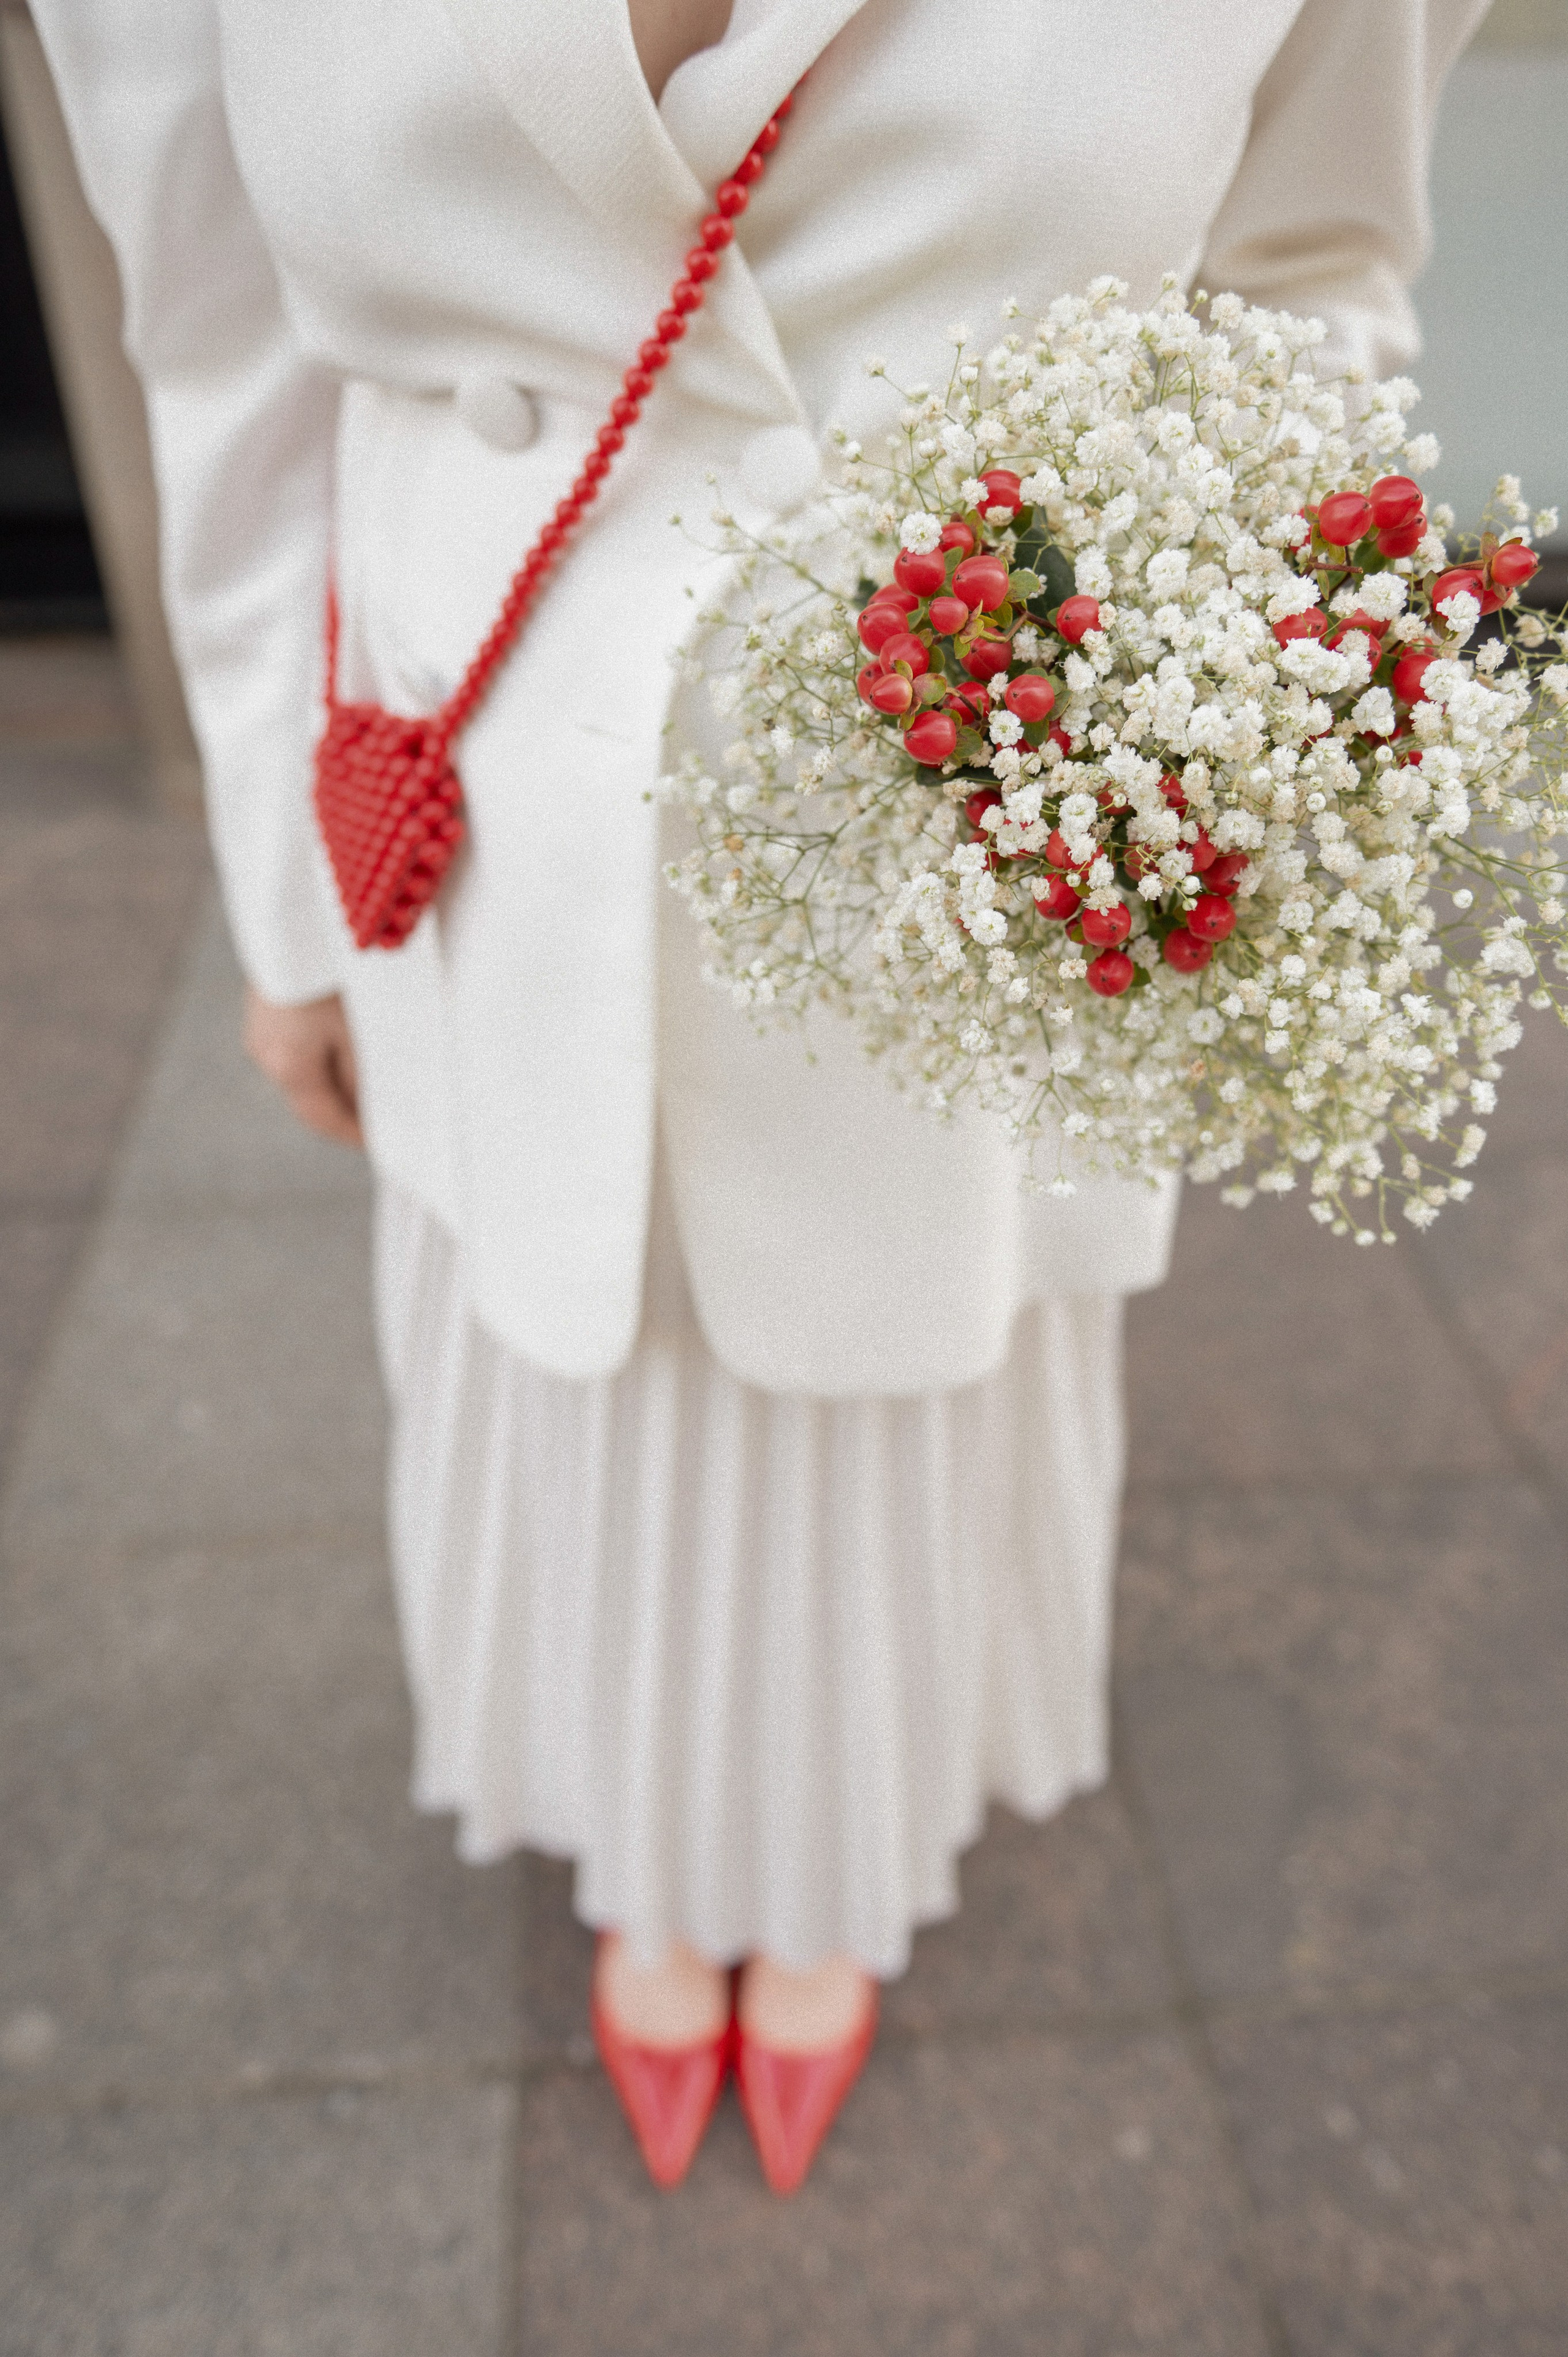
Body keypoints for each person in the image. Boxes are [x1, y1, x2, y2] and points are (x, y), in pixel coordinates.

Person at [36, 0, 1488, 2193]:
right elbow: (226, 348)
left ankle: (821, 1861)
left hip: (972, 804)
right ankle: (652, 1840)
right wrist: (286, 891)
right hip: (484, 793)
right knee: (571, 1355)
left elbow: (1308, 273)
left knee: (890, 1352)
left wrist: (1213, 727)